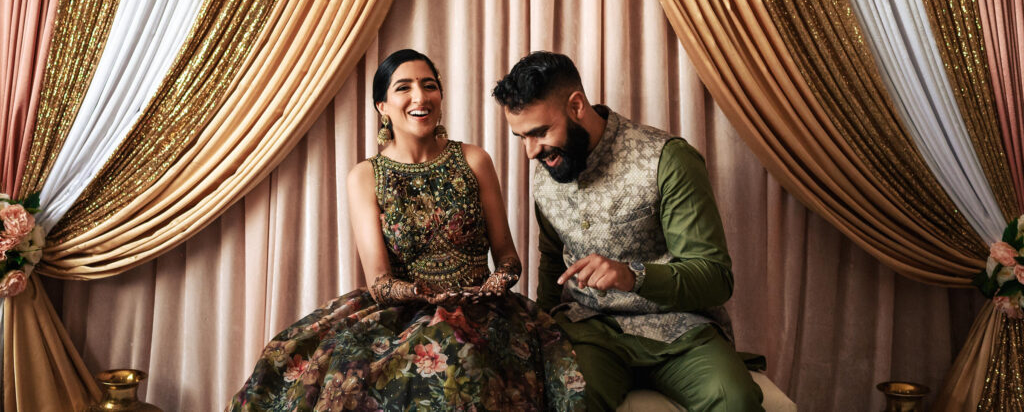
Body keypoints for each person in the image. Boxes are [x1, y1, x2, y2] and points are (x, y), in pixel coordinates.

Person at [229, 49, 585, 411]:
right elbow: (379, 281)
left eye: (429, 85)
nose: (420, 96)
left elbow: (508, 258)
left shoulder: (474, 159)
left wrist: (494, 283)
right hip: (401, 313)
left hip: (483, 309)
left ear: (440, 97)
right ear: (382, 106)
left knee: (456, 358)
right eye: (404, 87)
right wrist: (421, 293)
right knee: (299, 363)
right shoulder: (365, 176)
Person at [493, 51, 763, 412]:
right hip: (589, 329)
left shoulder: (667, 159)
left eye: (540, 132)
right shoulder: (548, 169)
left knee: (736, 402)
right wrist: (541, 328)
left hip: (680, 330)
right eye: (521, 137)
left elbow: (714, 278)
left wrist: (631, 276)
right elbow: (552, 265)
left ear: (576, 106)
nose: (530, 152)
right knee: (563, 400)